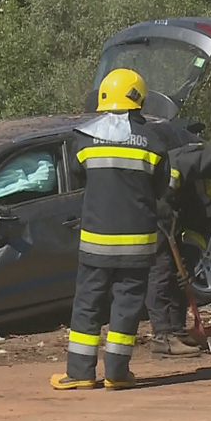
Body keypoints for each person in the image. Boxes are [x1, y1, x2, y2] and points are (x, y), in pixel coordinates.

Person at [50, 68, 171, 390]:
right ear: (139, 99)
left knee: (88, 303)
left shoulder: (85, 137)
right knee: (127, 305)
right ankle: (117, 373)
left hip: (96, 241)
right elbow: (162, 189)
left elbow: (76, 175)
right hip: (138, 243)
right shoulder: (153, 141)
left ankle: (79, 373)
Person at [145, 140, 211, 357]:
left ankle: (177, 330)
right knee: (162, 271)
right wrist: (165, 199)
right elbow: (176, 167)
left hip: (183, 218)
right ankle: (162, 336)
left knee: (183, 271)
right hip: (159, 210)